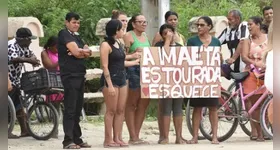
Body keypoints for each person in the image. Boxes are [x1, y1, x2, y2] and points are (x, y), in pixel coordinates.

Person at [100, 19, 140, 148]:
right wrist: (109, 84)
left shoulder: (119, 42)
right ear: (115, 31)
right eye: (121, 29)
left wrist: (135, 61)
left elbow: (120, 62)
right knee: (111, 110)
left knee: (120, 110)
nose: (123, 31)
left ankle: (117, 137)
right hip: (111, 79)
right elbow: (105, 66)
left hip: (122, 78)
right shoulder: (105, 45)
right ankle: (108, 139)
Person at [57, 12, 92, 149]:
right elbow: (78, 52)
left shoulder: (77, 37)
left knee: (77, 108)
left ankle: (77, 138)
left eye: (78, 22)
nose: (76, 25)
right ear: (67, 22)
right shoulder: (64, 34)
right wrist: (79, 52)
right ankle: (68, 140)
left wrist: (80, 51)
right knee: (70, 108)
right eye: (73, 22)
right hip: (70, 75)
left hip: (79, 74)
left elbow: (87, 52)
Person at [186, 16, 220, 144]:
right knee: (197, 108)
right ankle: (194, 136)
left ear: (209, 27)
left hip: (211, 79)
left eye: (202, 25)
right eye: (197, 25)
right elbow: (187, 59)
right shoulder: (192, 41)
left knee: (213, 107)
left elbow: (217, 61)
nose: (199, 27)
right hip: (197, 79)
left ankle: (215, 136)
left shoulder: (216, 42)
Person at [155, 24, 187, 144]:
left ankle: (179, 136)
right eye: (165, 33)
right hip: (164, 81)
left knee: (178, 109)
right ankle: (165, 137)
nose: (168, 35)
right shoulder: (159, 46)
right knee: (166, 109)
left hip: (178, 81)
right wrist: (167, 42)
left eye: (170, 33)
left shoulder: (180, 47)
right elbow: (164, 57)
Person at [8, 27, 41, 139]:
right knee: (7, 105)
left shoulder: (24, 46)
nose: (30, 41)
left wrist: (33, 59)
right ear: (22, 39)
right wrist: (28, 60)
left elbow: (30, 55)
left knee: (18, 105)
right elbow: (14, 59)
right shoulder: (11, 45)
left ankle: (24, 130)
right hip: (7, 78)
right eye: (29, 39)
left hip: (16, 79)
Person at [123, 14, 150, 145]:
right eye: (141, 22)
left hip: (147, 70)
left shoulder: (145, 36)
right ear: (133, 24)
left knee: (143, 103)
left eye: (145, 22)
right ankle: (132, 136)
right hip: (133, 70)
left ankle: (137, 135)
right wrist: (134, 54)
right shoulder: (128, 36)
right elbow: (122, 56)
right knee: (132, 103)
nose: (144, 24)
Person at [241, 16, 268, 142]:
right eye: (248, 26)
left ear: (258, 25)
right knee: (256, 105)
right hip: (252, 73)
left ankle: (266, 129)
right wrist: (256, 64)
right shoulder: (247, 41)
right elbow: (244, 57)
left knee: (266, 104)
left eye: (251, 24)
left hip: (267, 73)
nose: (249, 27)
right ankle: (259, 133)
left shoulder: (268, 38)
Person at [41, 36, 64, 138]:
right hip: (52, 80)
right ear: (50, 46)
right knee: (55, 106)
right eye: (56, 47)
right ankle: (55, 131)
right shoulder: (45, 53)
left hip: (62, 79)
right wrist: (62, 60)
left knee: (64, 106)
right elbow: (49, 65)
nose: (57, 48)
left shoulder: (60, 52)